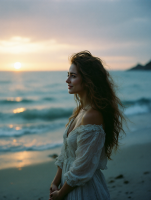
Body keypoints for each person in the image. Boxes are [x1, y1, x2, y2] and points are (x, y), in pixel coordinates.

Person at [49, 51, 127, 200]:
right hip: (68, 188)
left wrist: (61, 193)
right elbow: (66, 153)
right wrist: (55, 182)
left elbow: (82, 168)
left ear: (87, 80)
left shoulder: (93, 115)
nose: (67, 80)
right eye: (68, 74)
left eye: (73, 76)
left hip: (84, 192)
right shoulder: (80, 111)